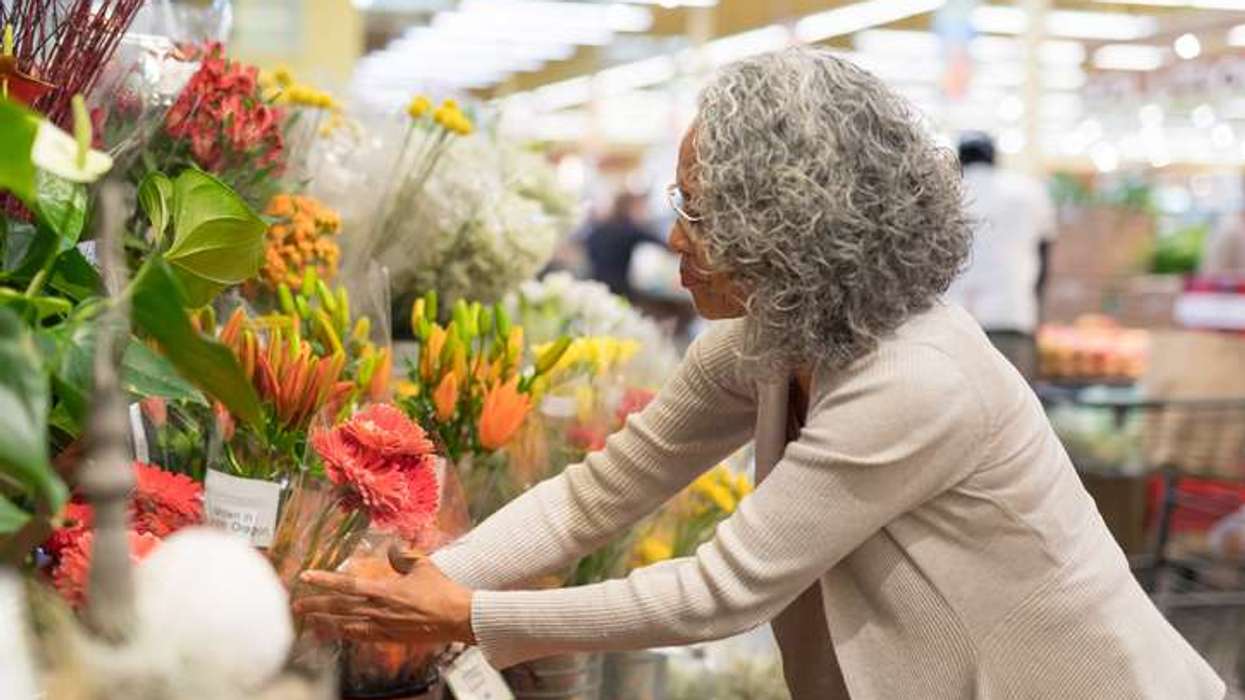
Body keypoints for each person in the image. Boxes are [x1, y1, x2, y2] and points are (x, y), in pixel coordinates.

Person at [295, 48, 1224, 700]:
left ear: (791, 222)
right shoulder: (767, 342)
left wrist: (460, 611)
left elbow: (723, 591)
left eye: (698, 208)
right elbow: (594, 496)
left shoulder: (917, 377)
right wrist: (411, 583)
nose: (675, 239)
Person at [947, 132, 1056, 380]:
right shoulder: (1028, 192)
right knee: (1013, 405)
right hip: (1012, 315)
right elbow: (1045, 254)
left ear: (959, 158)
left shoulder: (945, 192)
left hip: (952, 320)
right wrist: (1037, 309)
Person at [584, 190, 666, 301]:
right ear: (629, 207)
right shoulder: (631, 230)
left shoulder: (598, 229)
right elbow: (665, 244)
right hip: (620, 290)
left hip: (596, 286)